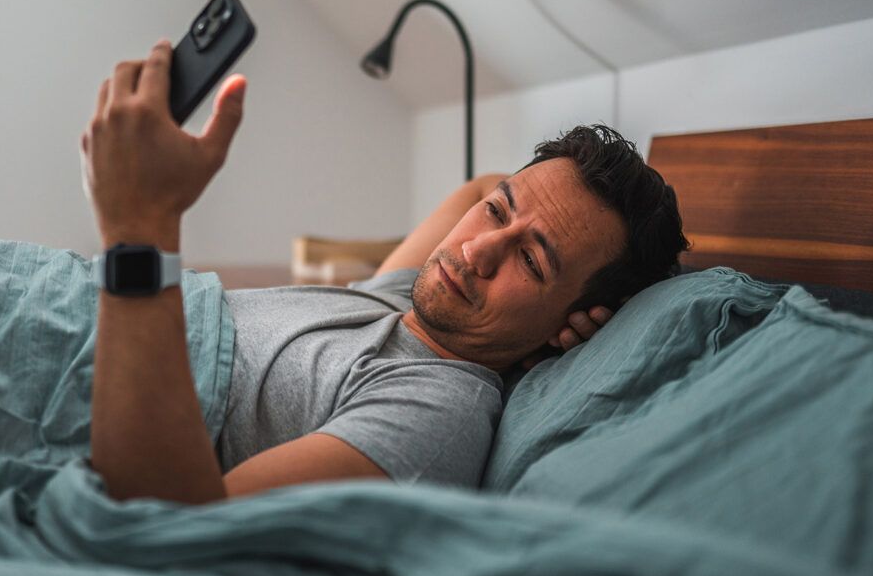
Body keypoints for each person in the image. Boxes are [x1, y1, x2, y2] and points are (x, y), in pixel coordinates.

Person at [80, 41, 687, 505]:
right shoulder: (404, 299)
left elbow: (174, 526)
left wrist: (139, 230)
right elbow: (477, 186)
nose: (477, 252)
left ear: (568, 324)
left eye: (531, 261)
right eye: (498, 213)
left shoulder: (435, 412)